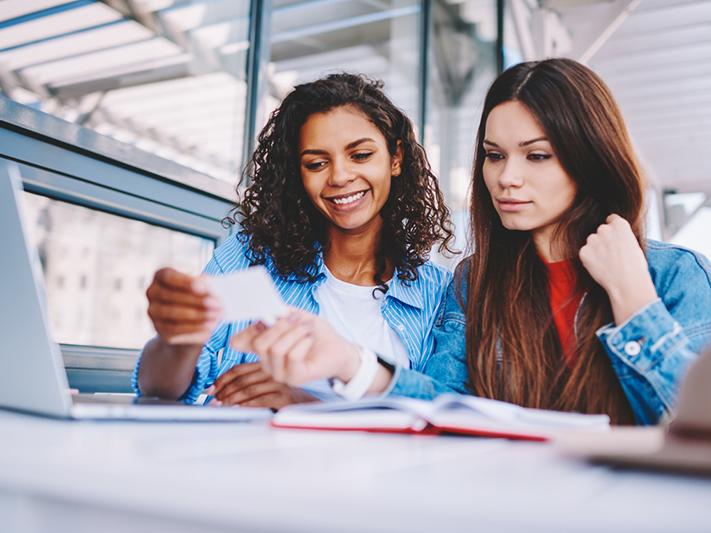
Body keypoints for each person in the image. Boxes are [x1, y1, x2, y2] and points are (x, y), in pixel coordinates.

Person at [231, 58, 711, 425]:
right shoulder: (475, 282)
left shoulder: (675, 274)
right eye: (494, 155)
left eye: (537, 156)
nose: (507, 178)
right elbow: (441, 405)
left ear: (590, 160)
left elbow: (695, 429)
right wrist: (347, 361)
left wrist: (634, 298)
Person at [134, 73, 455, 408]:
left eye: (360, 156)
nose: (340, 177)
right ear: (298, 175)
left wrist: (306, 404)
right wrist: (178, 342)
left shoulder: (438, 295)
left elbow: (441, 413)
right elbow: (159, 389)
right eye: (316, 163)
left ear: (396, 159)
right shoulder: (249, 258)